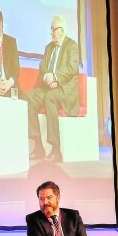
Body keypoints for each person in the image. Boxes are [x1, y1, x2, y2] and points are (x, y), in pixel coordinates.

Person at [24, 15, 80, 162]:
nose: (51, 32)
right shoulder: (48, 47)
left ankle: (56, 150)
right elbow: (42, 66)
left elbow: (72, 68)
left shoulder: (71, 45)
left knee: (50, 97)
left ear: (61, 30)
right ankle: (38, 147)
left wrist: (55, 77)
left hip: (65, 90)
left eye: (53, 29)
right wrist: (47, 78)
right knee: (28, 98)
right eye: (51, 29)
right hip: (49, 87)